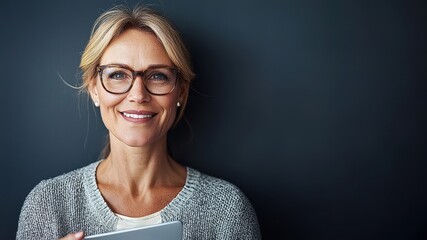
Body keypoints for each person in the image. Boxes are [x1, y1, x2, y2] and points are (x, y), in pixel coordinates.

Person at [16, 5, 261, 240]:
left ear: (181, 92)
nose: (138, 95)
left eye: (158, 76)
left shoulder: (227, 209)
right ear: (94, 89)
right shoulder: (47, 203)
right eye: (118, 75)